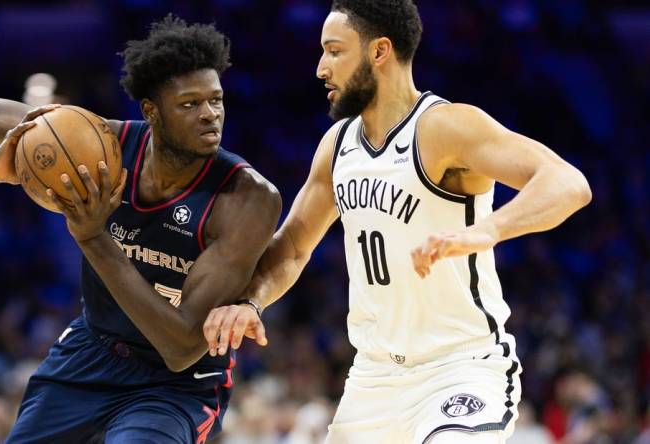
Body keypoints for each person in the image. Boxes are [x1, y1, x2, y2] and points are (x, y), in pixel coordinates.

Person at [203, 1, 591, 443]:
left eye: (334, 51)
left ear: (379, 51)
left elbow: (567, 183)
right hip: (374, 379)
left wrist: (487, 229)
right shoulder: (338, 145)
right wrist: (250, 300)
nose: (320, 68)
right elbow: (292, 248)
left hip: (458, 369)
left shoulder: (444, 127)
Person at [0, 15, 281, 444]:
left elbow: (182, 346)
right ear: (151, 111)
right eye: (190, 104)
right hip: (90, 352)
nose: (210, 115)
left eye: (216, 100)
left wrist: (94, 238)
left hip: (174, 384)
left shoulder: (247, 198)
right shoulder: (97, 143)